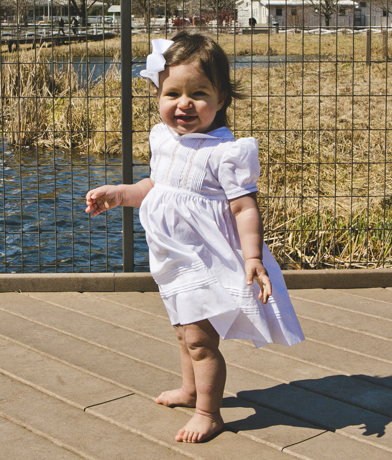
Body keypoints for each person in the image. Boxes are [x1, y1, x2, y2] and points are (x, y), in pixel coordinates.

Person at [85, 31, 304, 444]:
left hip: (208, 259)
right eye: (172, 93)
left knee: (201, 340)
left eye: (198, 93)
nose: (183, 103)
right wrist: (118, 195)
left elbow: (244, 208)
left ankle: (209, 411)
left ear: (221, 98)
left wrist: (253, 257)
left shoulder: (226, 153)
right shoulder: (164, 141)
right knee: (184, 333)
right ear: (158, 96)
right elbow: (156, 186)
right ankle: (190, 390)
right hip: (172, 257)